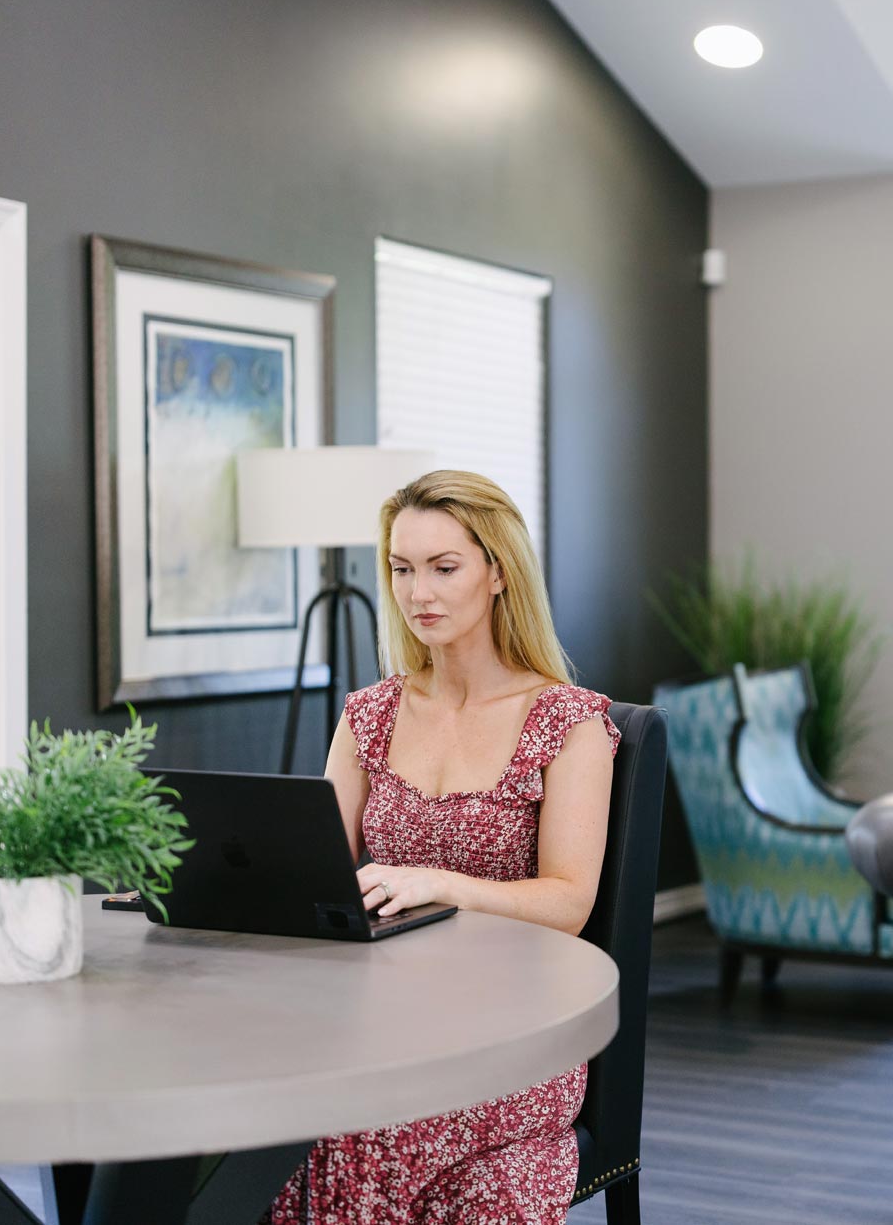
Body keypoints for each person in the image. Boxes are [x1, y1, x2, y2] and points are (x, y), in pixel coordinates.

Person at [263, 469, 618, 1225]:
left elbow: (568, 901)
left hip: (518, 1037)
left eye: (443, 567)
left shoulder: (568, 722)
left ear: (497, 571)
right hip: (382, 1025)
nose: (417, 591)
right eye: (400, 567)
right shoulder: (369, 715)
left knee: (351, 1132)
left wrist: (441, 882)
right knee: (265, 1128)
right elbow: (313, 874)